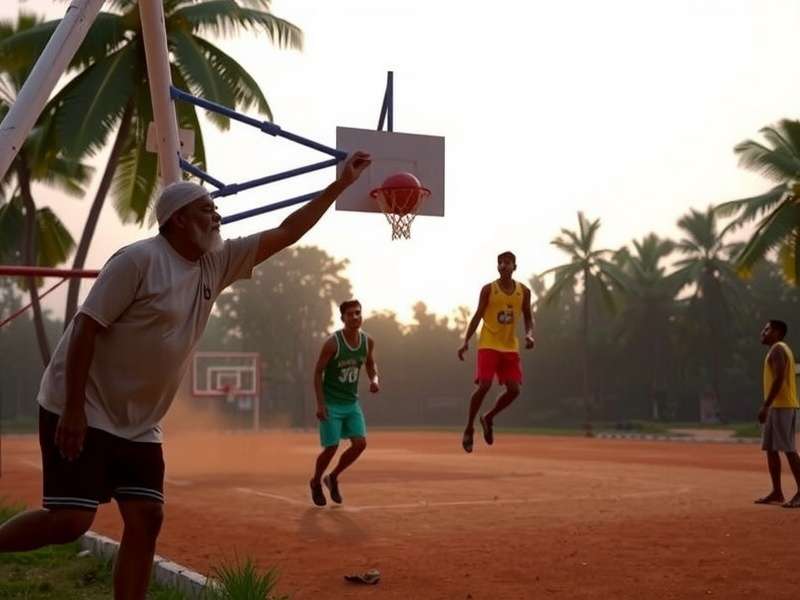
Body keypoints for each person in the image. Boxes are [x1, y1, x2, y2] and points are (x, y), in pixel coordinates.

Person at [0, 152, 371, 599]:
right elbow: (85, 327)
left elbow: (287, 231)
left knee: (147, 518)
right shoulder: (137, 261)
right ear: (177, 220)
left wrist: (340, 185)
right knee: (70, 522)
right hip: (81, 406)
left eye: (215, 209)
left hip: (139, 423)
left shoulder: (218, 262)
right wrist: (75, 410)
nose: (217, 215)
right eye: (206, 209)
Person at [457, 251, 534, 453]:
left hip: (509, 346)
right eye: (500, 263)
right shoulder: (488, 290)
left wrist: (529, 335)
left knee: (514, 390)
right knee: (484, 385)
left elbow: (528, 316)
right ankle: (468, 428)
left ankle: (488, 417)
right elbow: (477, 315)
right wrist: (466, 341)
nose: (503, 266)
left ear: (514, 267)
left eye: (507, 263)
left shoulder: (524, 291)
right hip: (489, 343)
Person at [310, 299, 379, 506]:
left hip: (351, 403)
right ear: (343, 318)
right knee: (331, 447)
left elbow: (371, 364)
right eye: (350, 314)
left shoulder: (367, 342)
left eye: (358, 313)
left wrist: (375, 380)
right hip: (331, 403)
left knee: (360, 444)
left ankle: (332, 477)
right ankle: (315, 482)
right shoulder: (333, 343)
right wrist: (320, 404)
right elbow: (317, 373)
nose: (355, 317)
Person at [754, 319, 800, 509]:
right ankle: (777, 492)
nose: (763, 332)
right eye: (763, 329)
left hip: (782, 406)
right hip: (776, 406)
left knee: (789, 450)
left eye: (767, 329)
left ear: (778, 333)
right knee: (771, 449)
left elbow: (780, 377)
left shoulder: (778, 349)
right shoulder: (776, 349)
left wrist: (766, 405)